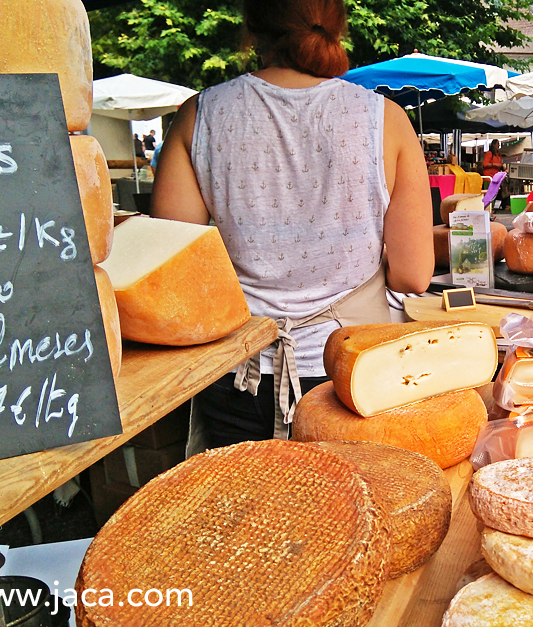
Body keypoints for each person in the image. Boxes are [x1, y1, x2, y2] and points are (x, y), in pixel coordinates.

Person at [151, 0, 432, 450]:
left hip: (237, 369)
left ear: (251, 32)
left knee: (247, 513)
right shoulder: (386, 119)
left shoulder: (201, 115)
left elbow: (172, 271)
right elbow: (414, 274)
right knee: (352, 510)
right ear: (338, 28)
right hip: (352, 366)